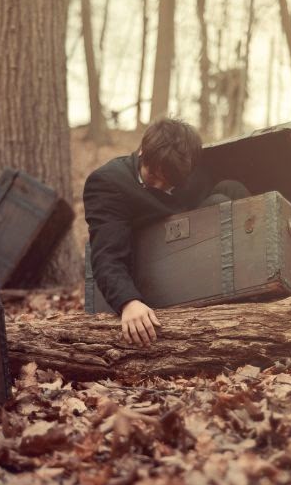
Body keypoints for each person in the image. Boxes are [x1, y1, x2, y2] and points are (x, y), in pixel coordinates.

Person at [83, 118, 249, 347]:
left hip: (196, 255)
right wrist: (128, 302)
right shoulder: (108, 183)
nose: (160, 186)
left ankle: (249, 289)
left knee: (231, 190)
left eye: (169, 182)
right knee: (221, 201)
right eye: (153, 177)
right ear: (142, 152)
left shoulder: (188, 169)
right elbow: (106, 254)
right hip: (154, 267)